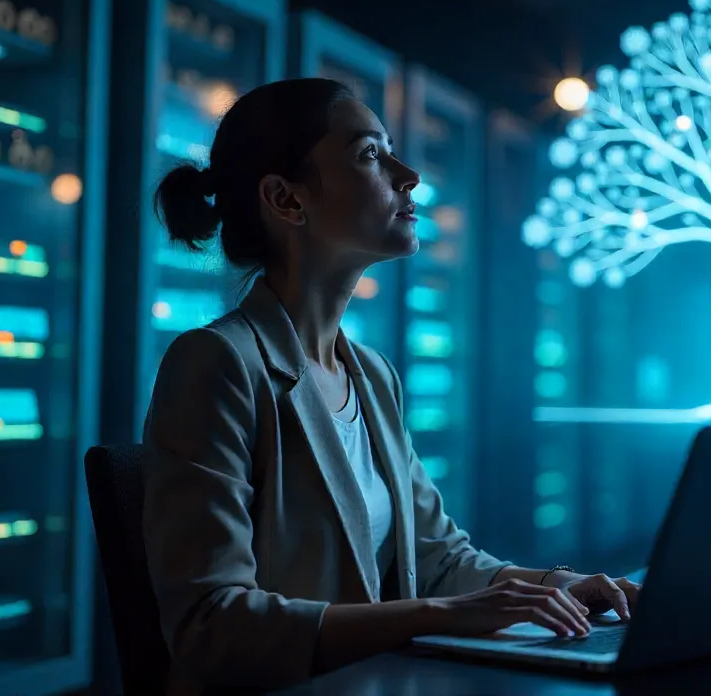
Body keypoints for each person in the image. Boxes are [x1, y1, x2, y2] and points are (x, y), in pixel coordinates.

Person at [143, 78, 640, 692]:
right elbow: (210, 627)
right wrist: (436, 617)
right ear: (286, 199)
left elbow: (438, 559)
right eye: (370, 154)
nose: (410, 176)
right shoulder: (216, 363)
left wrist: (559, 585)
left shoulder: (372, 375)